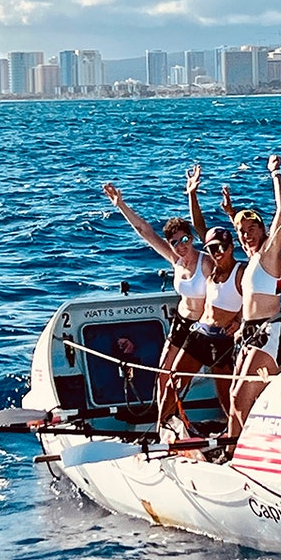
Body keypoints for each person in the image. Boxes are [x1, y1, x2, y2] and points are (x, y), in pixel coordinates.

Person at [102, 167, 210, 426]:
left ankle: (182, 421)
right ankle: (163, 426)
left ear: (191, 238)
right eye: (175, 242)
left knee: (181, 379)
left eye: (185, 239)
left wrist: (192, 194)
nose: (181, 245)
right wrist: (121, 205)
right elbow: (145, 232)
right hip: (181, 323)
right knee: (163, 376)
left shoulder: (207, 263)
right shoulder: (175, 261)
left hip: (205, 327)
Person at [225, 154, 281, 439]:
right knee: (234, 396)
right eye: (242, 232)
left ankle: (254, 451)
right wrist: (231, 212)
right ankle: (231, 451)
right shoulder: (251, 263)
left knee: (241, 398)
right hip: (249, 334)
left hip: (269, 331)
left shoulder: (269, 255)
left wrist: (276, 173)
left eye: (252, 229)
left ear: (263, 230)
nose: (247, 235)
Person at [169, 225, 244, 430]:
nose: (217, 252)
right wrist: (192, 197)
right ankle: (165, 428)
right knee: (173, 381)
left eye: (222, 247)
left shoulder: (241, 272)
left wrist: (239, 322)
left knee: (227, 396)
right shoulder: (212, 269)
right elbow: (201, 229)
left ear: (231, 247)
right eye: (212, 248)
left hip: (222, 339)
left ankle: (233, 441)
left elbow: (256, 301)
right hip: (200, 333)